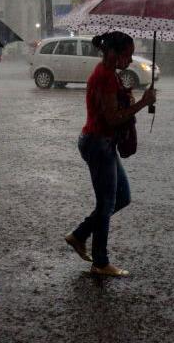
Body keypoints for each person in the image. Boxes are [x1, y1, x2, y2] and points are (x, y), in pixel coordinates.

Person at [64, 32, 156, 277]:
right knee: (106, 203)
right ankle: (101, 262)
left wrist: (128, 97)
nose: (130, 59)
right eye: (127, 54)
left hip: (104, 143)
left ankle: (79, 235)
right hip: (98, 143)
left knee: (122, 197)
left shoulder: (110, 74)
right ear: (113, 52)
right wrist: (142, 103)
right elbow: (112, 118)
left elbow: (114, 108)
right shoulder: (104, 76)